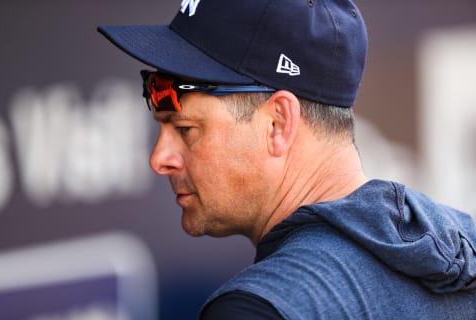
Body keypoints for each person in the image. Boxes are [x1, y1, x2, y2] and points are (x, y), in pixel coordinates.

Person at [98, 0, 476, 319]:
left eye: (185, 129)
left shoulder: (258, 309)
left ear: (278, 123)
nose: (159, 159)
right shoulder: (465, 243)